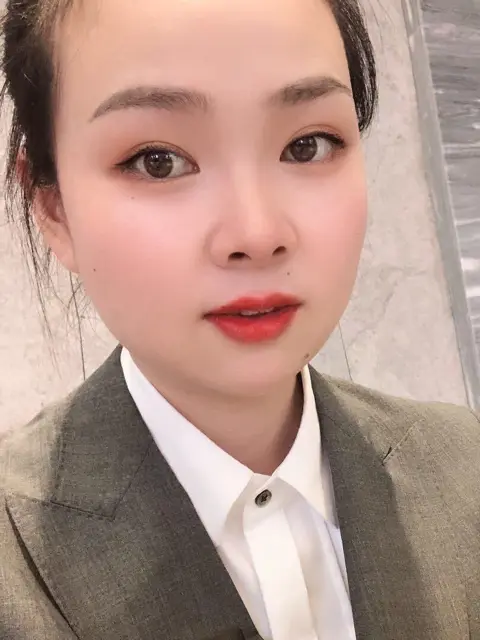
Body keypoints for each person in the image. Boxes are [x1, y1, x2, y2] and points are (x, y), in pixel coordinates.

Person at [0, 0, 479, 638]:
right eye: (157, 160)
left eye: (307, 146)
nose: (256, 234)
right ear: (54, 207)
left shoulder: (463, 465)